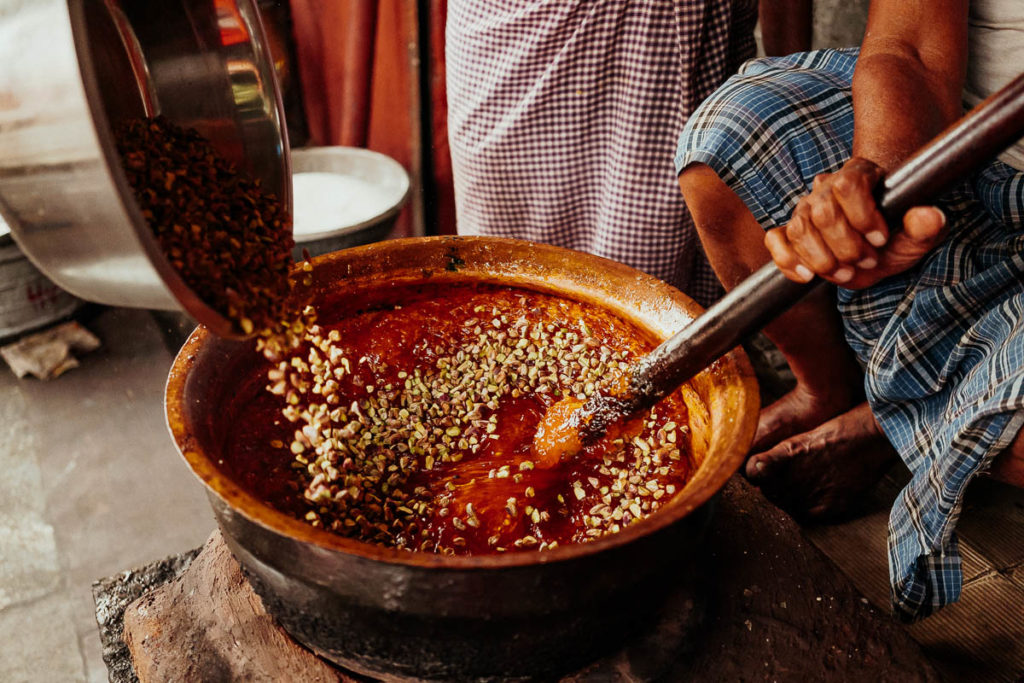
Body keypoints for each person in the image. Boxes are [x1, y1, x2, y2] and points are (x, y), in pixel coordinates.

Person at [675, 0, 1024, 620]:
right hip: (967, 145)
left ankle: (886, 423)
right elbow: (908, 43)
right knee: (731, 136)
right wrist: (883, 175)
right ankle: (830, 391)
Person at [446, 0, 810, 308]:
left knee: (647, 309)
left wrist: (789, 81)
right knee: (496, 289)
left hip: (657, 64)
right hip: (514, 34)